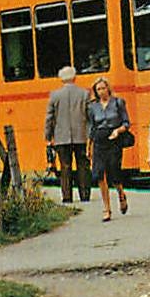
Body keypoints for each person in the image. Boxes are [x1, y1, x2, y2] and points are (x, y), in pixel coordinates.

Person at [44, 65, 91, 204]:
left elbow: (49, 118)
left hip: (61, 137)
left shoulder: (55, 95)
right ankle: (84, 195)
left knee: (65, 166)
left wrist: (48, 136)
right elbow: (89, 116)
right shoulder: (84, 93)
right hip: (81, 135)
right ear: (75, 77)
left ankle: (67, 196)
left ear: (61, 79)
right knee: (83, 165)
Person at [86, 78, 132, 221]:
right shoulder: (92, 107)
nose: (101, 92)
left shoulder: (118, 102)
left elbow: (126, 122)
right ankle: (106, 208)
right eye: (98, 89)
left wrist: (118, 131)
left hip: (114, 139)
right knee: (99, 174)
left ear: (108, 88)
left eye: (103, 88)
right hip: (99, 140)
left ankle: (121, 194)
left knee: (114, 172)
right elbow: (91, 128)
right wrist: (89, 147)